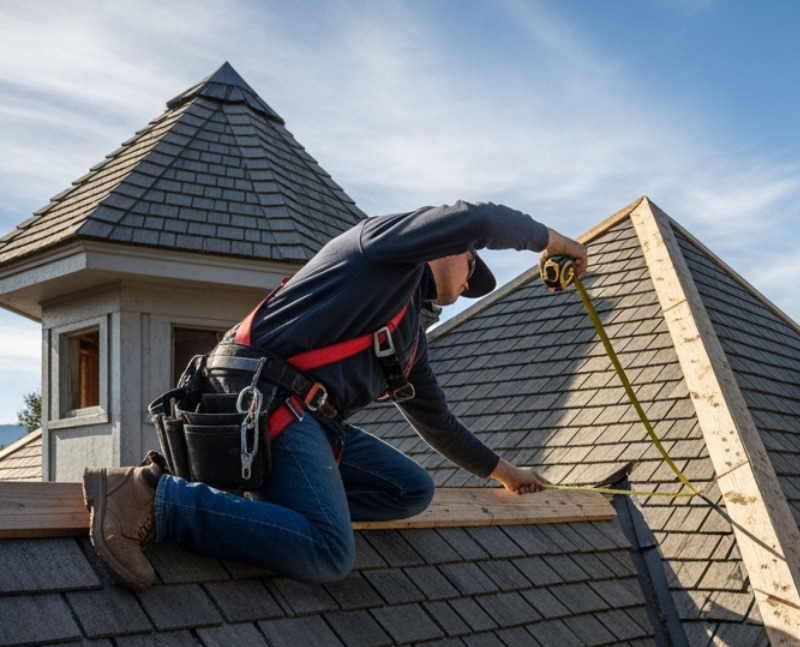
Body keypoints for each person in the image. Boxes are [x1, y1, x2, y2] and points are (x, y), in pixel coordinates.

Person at [83, 201, 588, 592]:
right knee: (329, 552)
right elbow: (476, 218)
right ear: (444, 244)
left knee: (410, 490)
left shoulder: (409, 338)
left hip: (304, 419)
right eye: (469, 257)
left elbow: (440, 424)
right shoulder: (379, 250)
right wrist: (555, 240)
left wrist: (507, 474)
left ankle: (273, 514)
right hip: (256, 397)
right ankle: (151, 496)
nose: (470, 270)